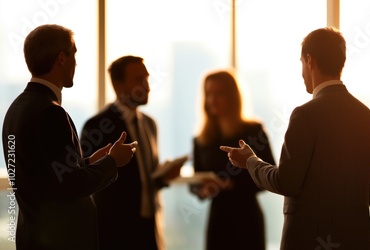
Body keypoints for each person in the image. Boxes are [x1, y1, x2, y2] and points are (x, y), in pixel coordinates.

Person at [220, 27, 370, 249]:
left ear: (309, 60)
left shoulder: (305, 114)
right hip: (356, 240)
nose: (302, 72)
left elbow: (285, 181)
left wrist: (251, 161)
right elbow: (366, 193)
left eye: (301, 63)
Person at [1, 24, 136, 250]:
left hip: (32, 237)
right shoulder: (51, 112)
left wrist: (91, 162)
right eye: (74, 54)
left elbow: (49, 177)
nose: (76, 62)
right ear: (62, 58)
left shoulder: (16, 108)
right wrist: (113, 161)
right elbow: (73, 186)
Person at [80, 56, 184, 250]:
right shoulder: (96, 127)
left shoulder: (150, 124)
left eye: (147, 79)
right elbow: (89, 180)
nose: (147, 86)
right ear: (118, 86)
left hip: (149, 228)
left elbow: (144, 181)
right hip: (115, 233)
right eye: (139, 80)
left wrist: (164, 178)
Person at [190, 70, 275, 250]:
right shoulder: (201, 140)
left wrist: (231, 185)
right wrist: (203, 190)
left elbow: (270, 175)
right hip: (218, 220)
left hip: (247, 219)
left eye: (219, 93)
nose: (212, 100)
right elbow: (195, 182)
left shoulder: (253, 131)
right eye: (208, 94)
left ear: (232, 96)